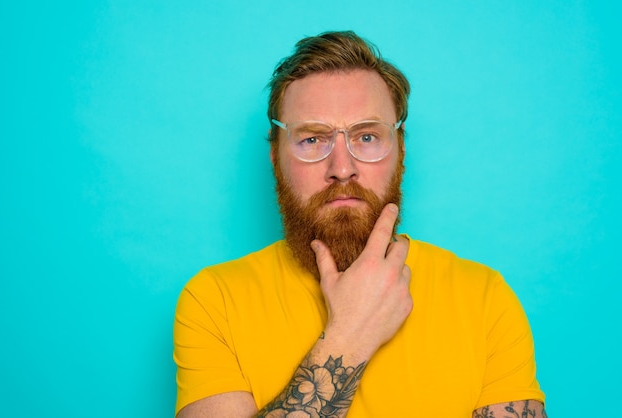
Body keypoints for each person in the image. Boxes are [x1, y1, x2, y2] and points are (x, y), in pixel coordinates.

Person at [173, 31, 547, 418]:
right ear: (275, 156)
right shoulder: (213, 301)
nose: (342, 169)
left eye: (366, 136)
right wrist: (350, 338)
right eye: (312, 140)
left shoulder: (485, 300)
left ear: (401, 150)